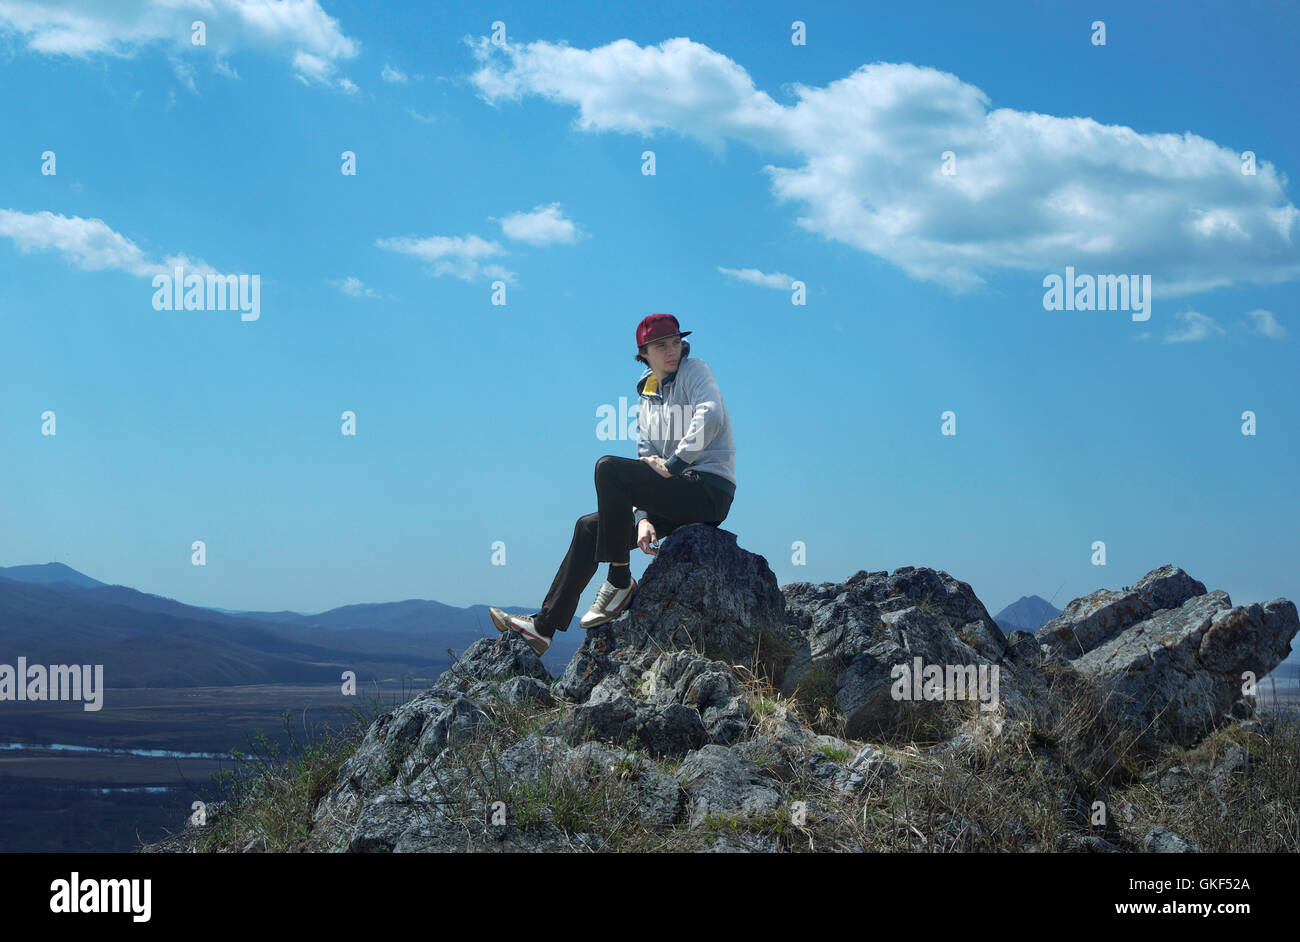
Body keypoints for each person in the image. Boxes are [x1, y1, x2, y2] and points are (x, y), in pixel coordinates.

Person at [489, 312, 737, 655]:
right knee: (589, 527)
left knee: (608, 468)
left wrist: (675, 464)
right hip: (675, 494)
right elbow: (644, 459)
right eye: (661, 345)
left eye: (676, 342)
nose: (672, 350)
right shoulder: (646, 397)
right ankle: (543, 628)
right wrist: (642, 519)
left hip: (708, 488)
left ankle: (620, 581)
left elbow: (710, 415)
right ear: (644, 354)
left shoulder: (695, 371)